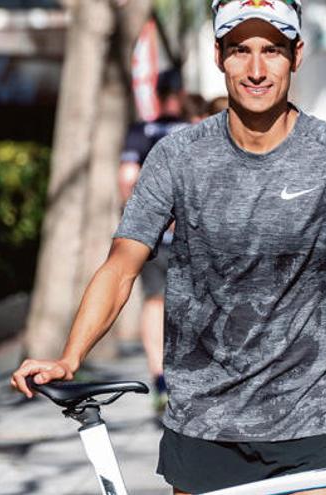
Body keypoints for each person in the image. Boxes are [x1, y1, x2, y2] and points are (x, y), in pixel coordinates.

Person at [11, 1, 326, 493]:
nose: (256, 69)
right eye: (240, 50)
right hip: (202, 422)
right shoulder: (177, 156)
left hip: (308, 421)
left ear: (296, 55)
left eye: (272, 51)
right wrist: (70, 358)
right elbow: (120, 267)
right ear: (219, 56)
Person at [118, 68, 190, 413]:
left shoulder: (140, 132)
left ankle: (160, 376)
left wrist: (143, 221)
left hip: (154, 238)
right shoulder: (194, 131)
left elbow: (127, 177)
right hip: (191, 237)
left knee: (154, 303)